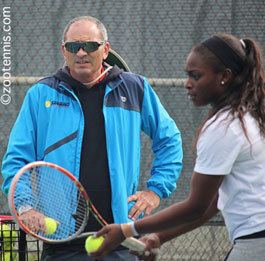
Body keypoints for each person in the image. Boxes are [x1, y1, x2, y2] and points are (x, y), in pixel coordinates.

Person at [1, 16, 183, 261]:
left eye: (90, 45)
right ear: (64, 51)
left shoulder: (135, 88)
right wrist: (25, 206)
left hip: (121, 237)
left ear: (105, 49)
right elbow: (16, 160)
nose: (82, 53)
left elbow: (169, 140)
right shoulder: (41, 94)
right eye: (74, 46)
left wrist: (155, 191)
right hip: (61, 242)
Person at [91, 33, 265, 261]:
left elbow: (196, 206)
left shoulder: (224, 127)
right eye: (187, 75)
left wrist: (127, 230)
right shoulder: (252, 116)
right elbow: (213, 203)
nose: (188, 84)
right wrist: (158, 237)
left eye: (196, 76)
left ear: (224, 76)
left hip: (255, 240)